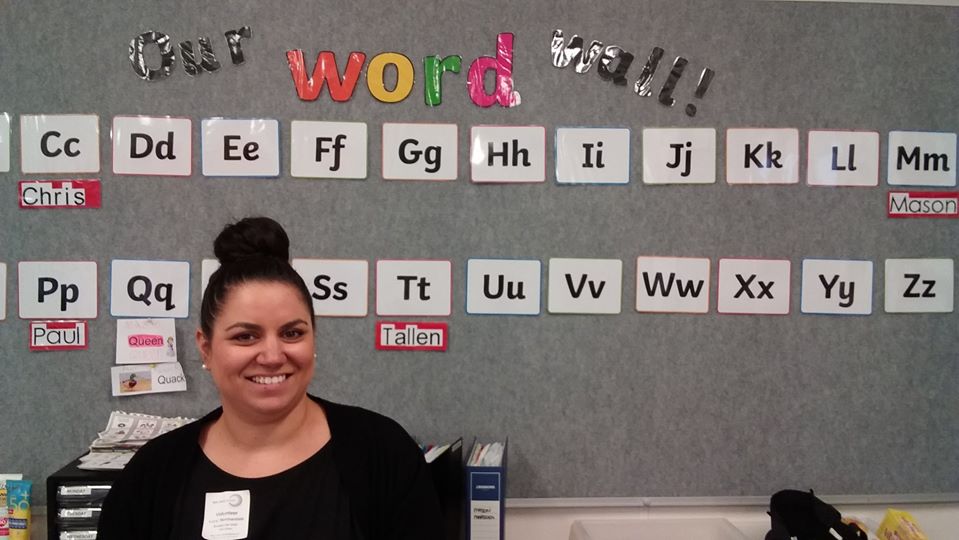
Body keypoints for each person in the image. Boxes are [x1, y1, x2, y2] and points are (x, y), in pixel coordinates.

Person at [98, 217, 443, 539]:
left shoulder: (382, 456)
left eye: (292, 333)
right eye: (245, 336)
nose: (273, 356)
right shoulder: (153, 477)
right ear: (205, 348)